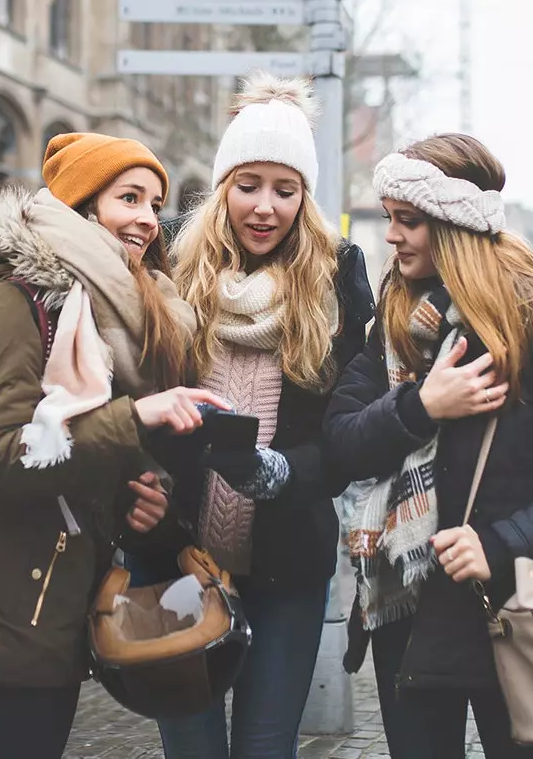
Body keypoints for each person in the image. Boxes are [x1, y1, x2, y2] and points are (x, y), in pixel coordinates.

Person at [324, 134, 533, 759]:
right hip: (412, 622)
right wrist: (421, 407)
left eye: (408, 221)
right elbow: (341, 443)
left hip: (521, 613)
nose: (391, 236)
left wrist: (499, 542)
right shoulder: (393, 322)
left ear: (454, 225)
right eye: (389, 219)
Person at [0, 132, 225, 759]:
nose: (146, 219)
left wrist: (145, 508)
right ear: (82, 203)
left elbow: (84, 458)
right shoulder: (9, 295)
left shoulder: (115, 312)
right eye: (128, 197)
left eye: (154, 203)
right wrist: (134, 418)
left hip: (47, 618)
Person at [147, 74, 375, 759]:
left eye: (286, 188)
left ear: (305, 196)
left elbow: (346, 433)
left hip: (288, 568)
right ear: (223, 187)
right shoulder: (169, 263)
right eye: (249, 184)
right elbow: (125, 392)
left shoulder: (338, 275)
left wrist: (282, 471)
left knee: (264, 749)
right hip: (173, 558)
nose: (265, 207)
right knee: (192, 750)